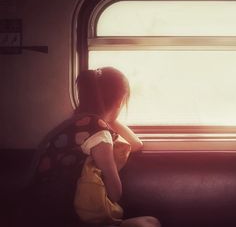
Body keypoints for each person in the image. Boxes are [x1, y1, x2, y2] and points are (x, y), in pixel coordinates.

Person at [29, 67, 160, 227]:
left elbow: (135, 144)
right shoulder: (100, 136)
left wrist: (106, 116)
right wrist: (109, 116)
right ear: (120, 102)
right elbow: (115, 193)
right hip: (66, 217)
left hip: (43, 213)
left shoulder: (76, 124)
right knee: (150, 223)